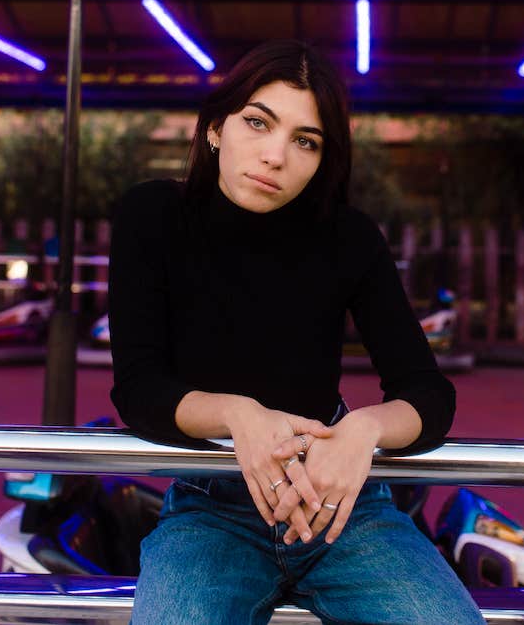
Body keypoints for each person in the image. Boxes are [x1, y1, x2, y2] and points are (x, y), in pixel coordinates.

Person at [108, 40, 484, 625]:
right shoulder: (153, 215)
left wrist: (364, 431)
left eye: (305, 141)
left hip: (342, 503)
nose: (275, 155)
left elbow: (429, 395)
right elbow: (138, 390)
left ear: (321, 160)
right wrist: (240, 416)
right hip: (213, 505)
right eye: (258, 123)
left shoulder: (350, 237)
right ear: (214, 127)